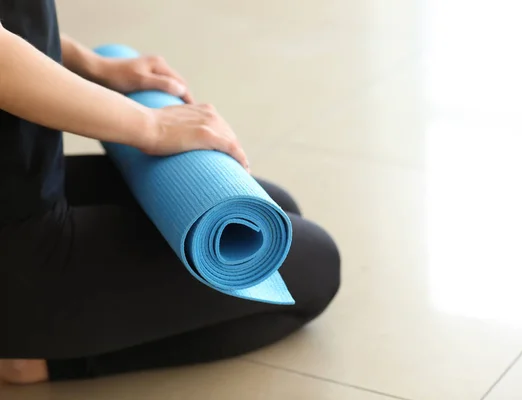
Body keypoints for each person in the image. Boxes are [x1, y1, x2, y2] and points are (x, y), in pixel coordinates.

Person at [0, 0, 340, 385]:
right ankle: (31, 360)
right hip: (18, 243)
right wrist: (150, 126)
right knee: (317, 269)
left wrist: (92, 65)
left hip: (30, 183)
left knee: (274, 210)